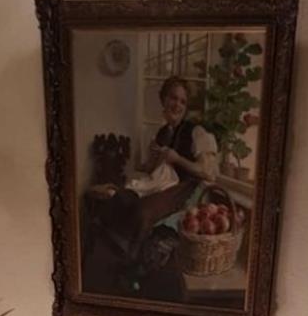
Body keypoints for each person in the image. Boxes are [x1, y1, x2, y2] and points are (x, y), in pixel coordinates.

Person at [89, 76, 218, 251]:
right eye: (173, 98)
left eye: (182, 101)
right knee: (123, 198)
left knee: (143, 212)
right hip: (160, 183)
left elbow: (206, 172)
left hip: (183, 188)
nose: (177, 105)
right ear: (164, 99)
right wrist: (151, 159)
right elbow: (153, 171)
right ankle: (112, 250)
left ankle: (133, 256)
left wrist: (177, 159)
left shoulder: (196, 131)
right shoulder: (162, 133)